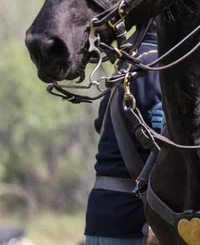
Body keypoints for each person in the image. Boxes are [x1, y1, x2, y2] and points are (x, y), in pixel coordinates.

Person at [84, 35, 162, 245]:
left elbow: (100, 124)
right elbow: (167, 144)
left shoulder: (124, 66)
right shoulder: (160, 65)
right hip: (134, 223)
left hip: (99, 214)